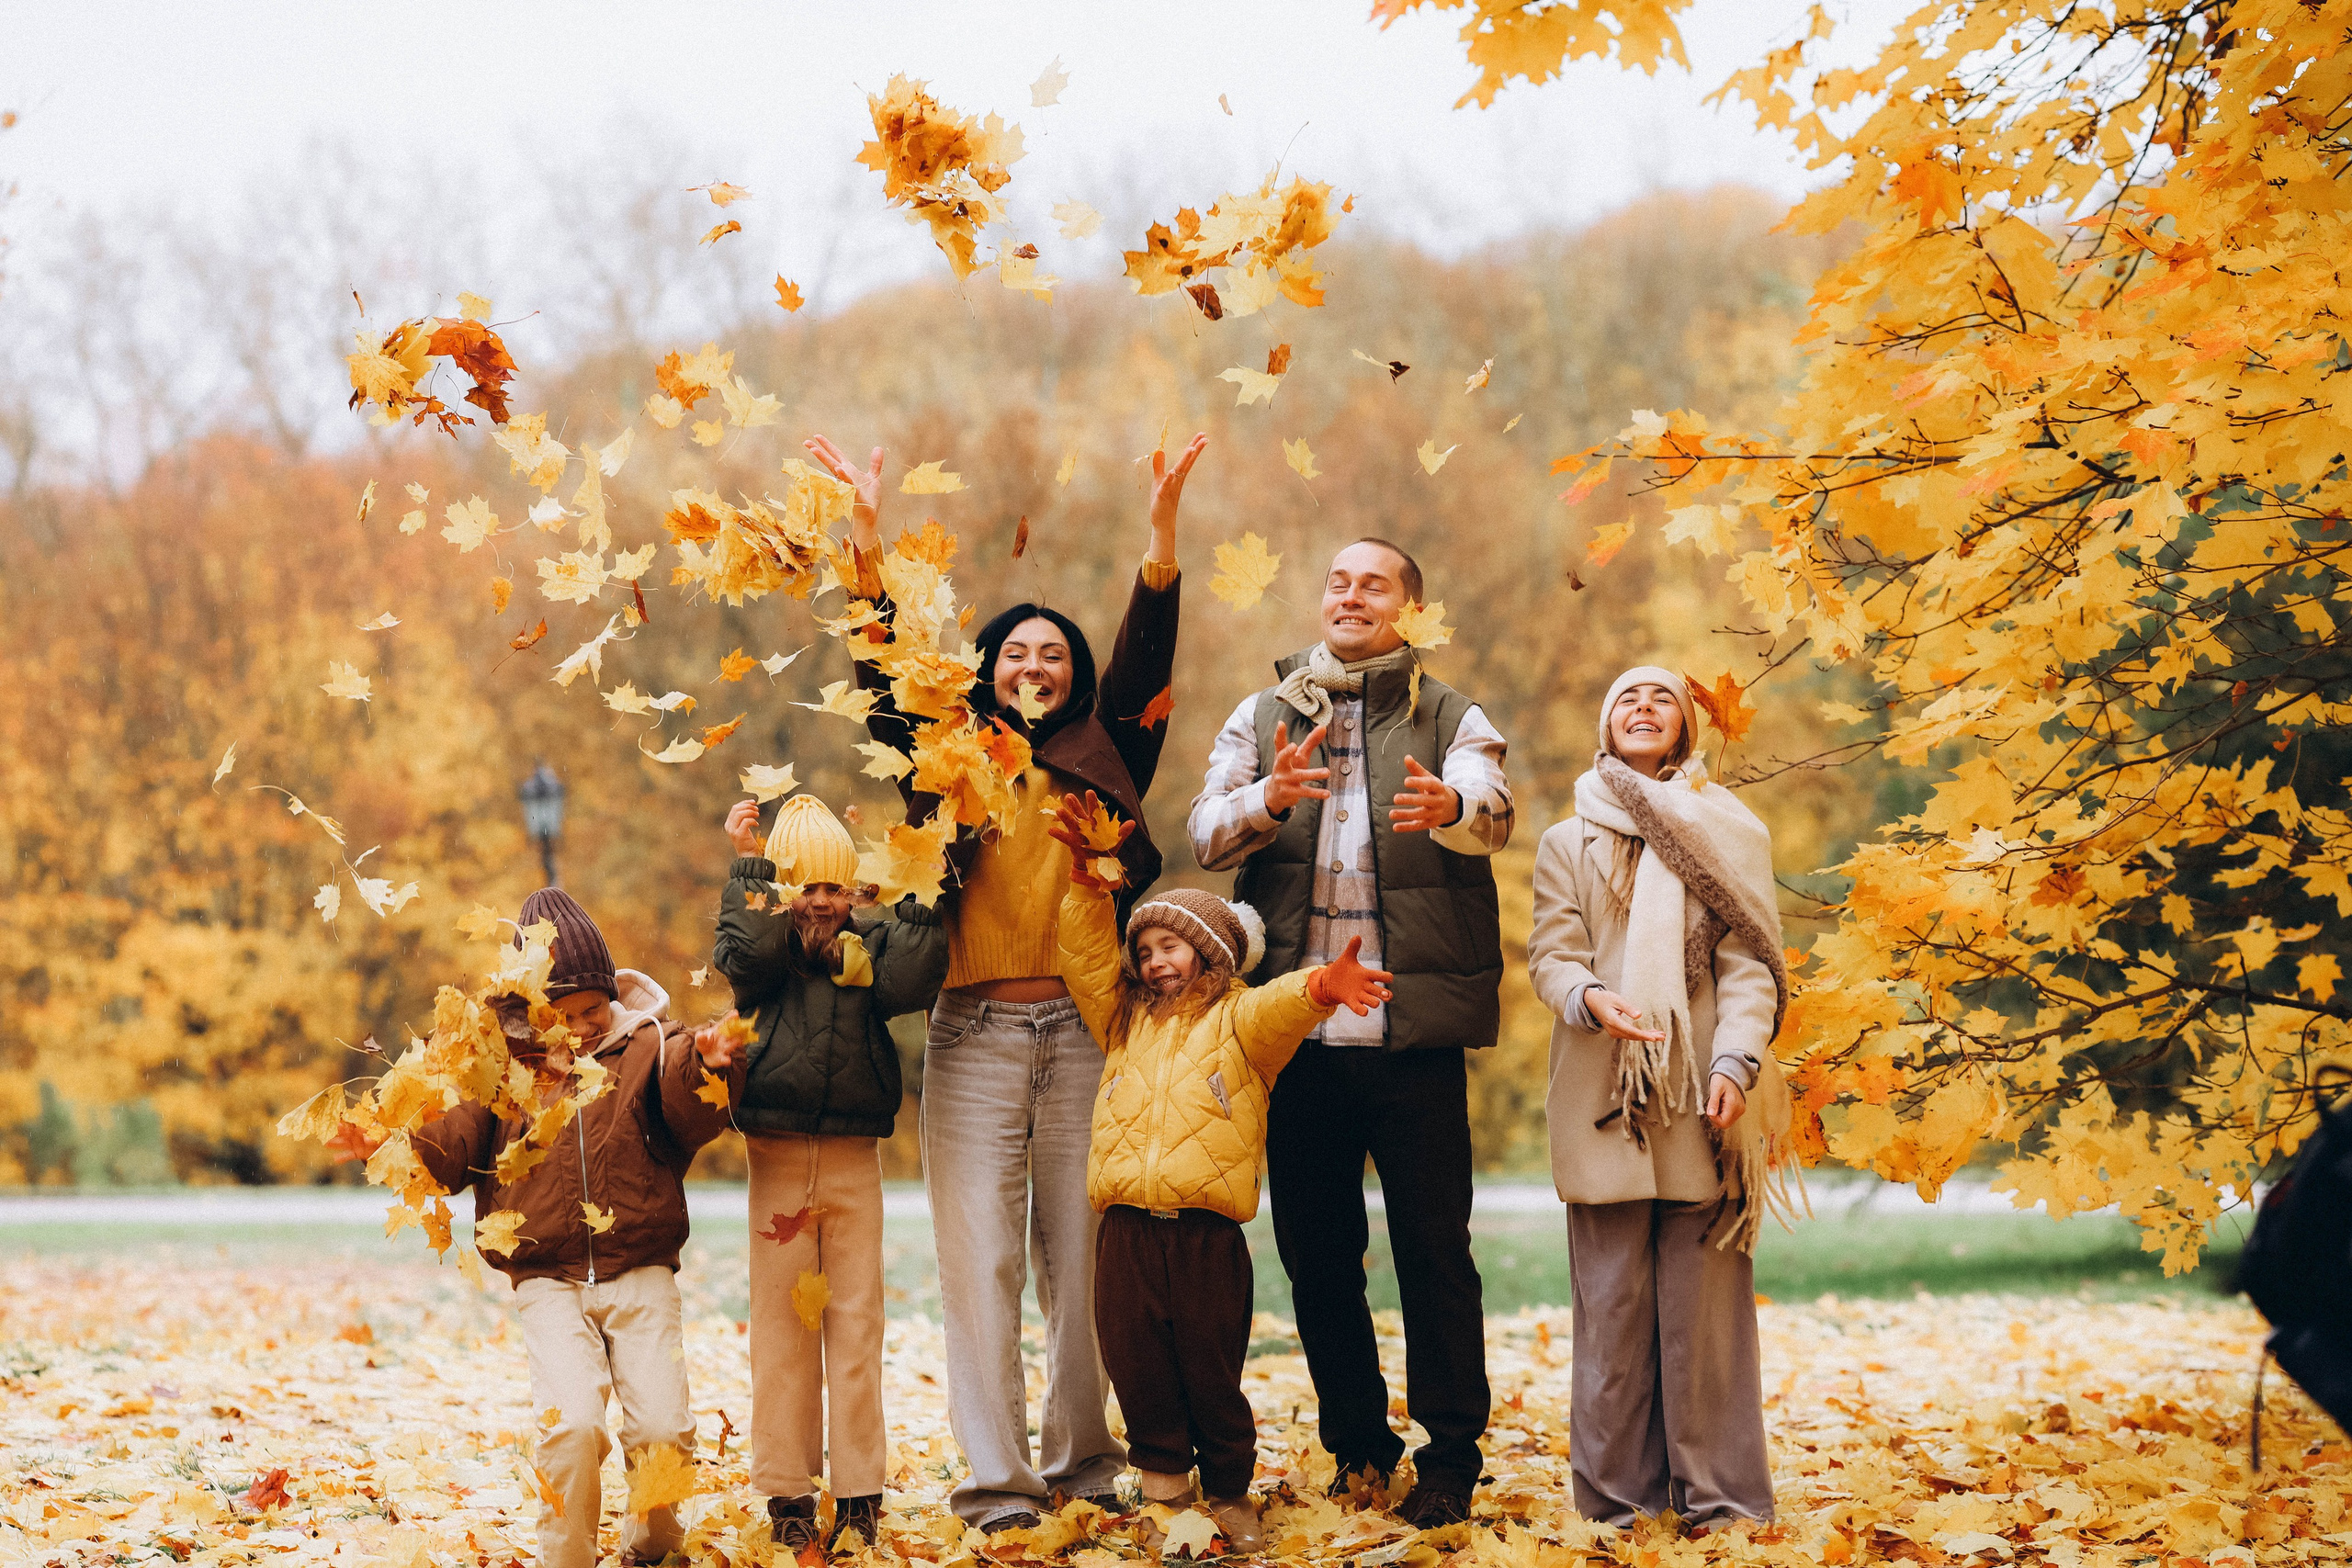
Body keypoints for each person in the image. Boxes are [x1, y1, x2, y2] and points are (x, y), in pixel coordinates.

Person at [800, 430, 1207, 1532]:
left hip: (1083, 1035)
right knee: (980, 1263)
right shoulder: (947, 753)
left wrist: (1161, 533)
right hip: (972, 1036)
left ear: (1075, 679)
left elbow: (1149, 656)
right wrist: (867, 539)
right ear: (988, 670)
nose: (1036, 668)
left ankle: (1082, 1463)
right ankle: (997, 1485)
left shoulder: (1107, 749)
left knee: (1081, 1263)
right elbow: (877, 670)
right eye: (1017, 655)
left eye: (1054, 657)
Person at [1186, 537, 1513, 1526]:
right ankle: (1358, 1450)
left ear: (1409, 610)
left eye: (1374, 584)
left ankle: (1451, 1457)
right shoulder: (1264, 713)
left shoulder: (1447, 713)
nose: (1350, 595)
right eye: (1337, 581)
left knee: (1433, 1254)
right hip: (1299, 1038)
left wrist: (1453, 802)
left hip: (1411, 1039)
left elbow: (1492, 810)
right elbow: (1204, 833)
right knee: (1318, 1254)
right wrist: (1265, 798)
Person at [1048, 791, 1394, 1554]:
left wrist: (1320, 988)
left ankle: (1230, 1489)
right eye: (1145, 951)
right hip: (1128, 1229)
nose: (1154, 962)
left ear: (1208, 951)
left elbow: (1277, 1007)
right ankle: (1168, 1490)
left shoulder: (1237, 1021)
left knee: (1210, 1366)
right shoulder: (1122, 1017)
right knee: (1136, 1364)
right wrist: (1084, 888)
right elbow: (1082, 955)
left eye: (1170, 946)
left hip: (1205, 1235)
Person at [1525, 666, 1795, 1529]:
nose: (1643, 711)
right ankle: (1615, 1509)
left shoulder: (1728, 831)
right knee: (1609, 1315)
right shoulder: (1567, 840)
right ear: (1606, 726)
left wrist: (1735, 1065)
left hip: (1706, 1098)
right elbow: (1551, 955)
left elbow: (1751, 970)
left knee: (1707, 1323)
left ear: (1685, 728)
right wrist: (1589, 998)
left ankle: (1722, 1504)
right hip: (1607, 1088)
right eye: (1625, 701)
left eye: (1661, 701)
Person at [402, 888, 739, 1568]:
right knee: (572, 1427)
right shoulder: (504, 1071)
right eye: (565, 1015)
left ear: (612, 995)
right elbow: (454, 1143)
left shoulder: (649, 1044)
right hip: (547, 1276)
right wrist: (401, 1138)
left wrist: (707, 1062)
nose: (583, 1026)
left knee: (664, 1430)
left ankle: (652, 1547)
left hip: (640, 1263)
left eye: (594, 1009)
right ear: (533, 1013)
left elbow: (689, 1105)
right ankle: (569, 1558)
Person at [711, 793, 951, 1554]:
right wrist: (752, 870)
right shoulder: (767, 951)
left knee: (856, 1321)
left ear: (852, 890)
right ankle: (786, 1487)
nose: (820, 902)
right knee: (782, 1329)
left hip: (854, 1157)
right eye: (804, 886)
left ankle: (858, 1491)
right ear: (784, 892)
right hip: (775, 1154)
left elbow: (913, 982)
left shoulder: (871, 943)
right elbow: (742, 950)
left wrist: (914, 894)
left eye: (832, 887)